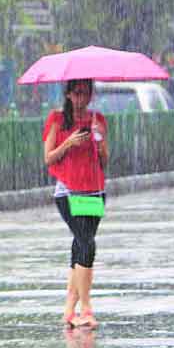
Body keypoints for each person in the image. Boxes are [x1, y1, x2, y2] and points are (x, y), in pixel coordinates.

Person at [43, 78, 108, 329]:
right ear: (69, 95)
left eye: (86, 93)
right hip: (69, 191)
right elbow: (49, 158)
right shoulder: (57, 120)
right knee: (86, 243)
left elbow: (104, 159)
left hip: (94, 190)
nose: (82, 98)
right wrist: (69, 142)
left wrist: (98, 138)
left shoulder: (97, 119)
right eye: (78, 93)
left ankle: (70, 309)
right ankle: (86, 307)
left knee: (82, 245)